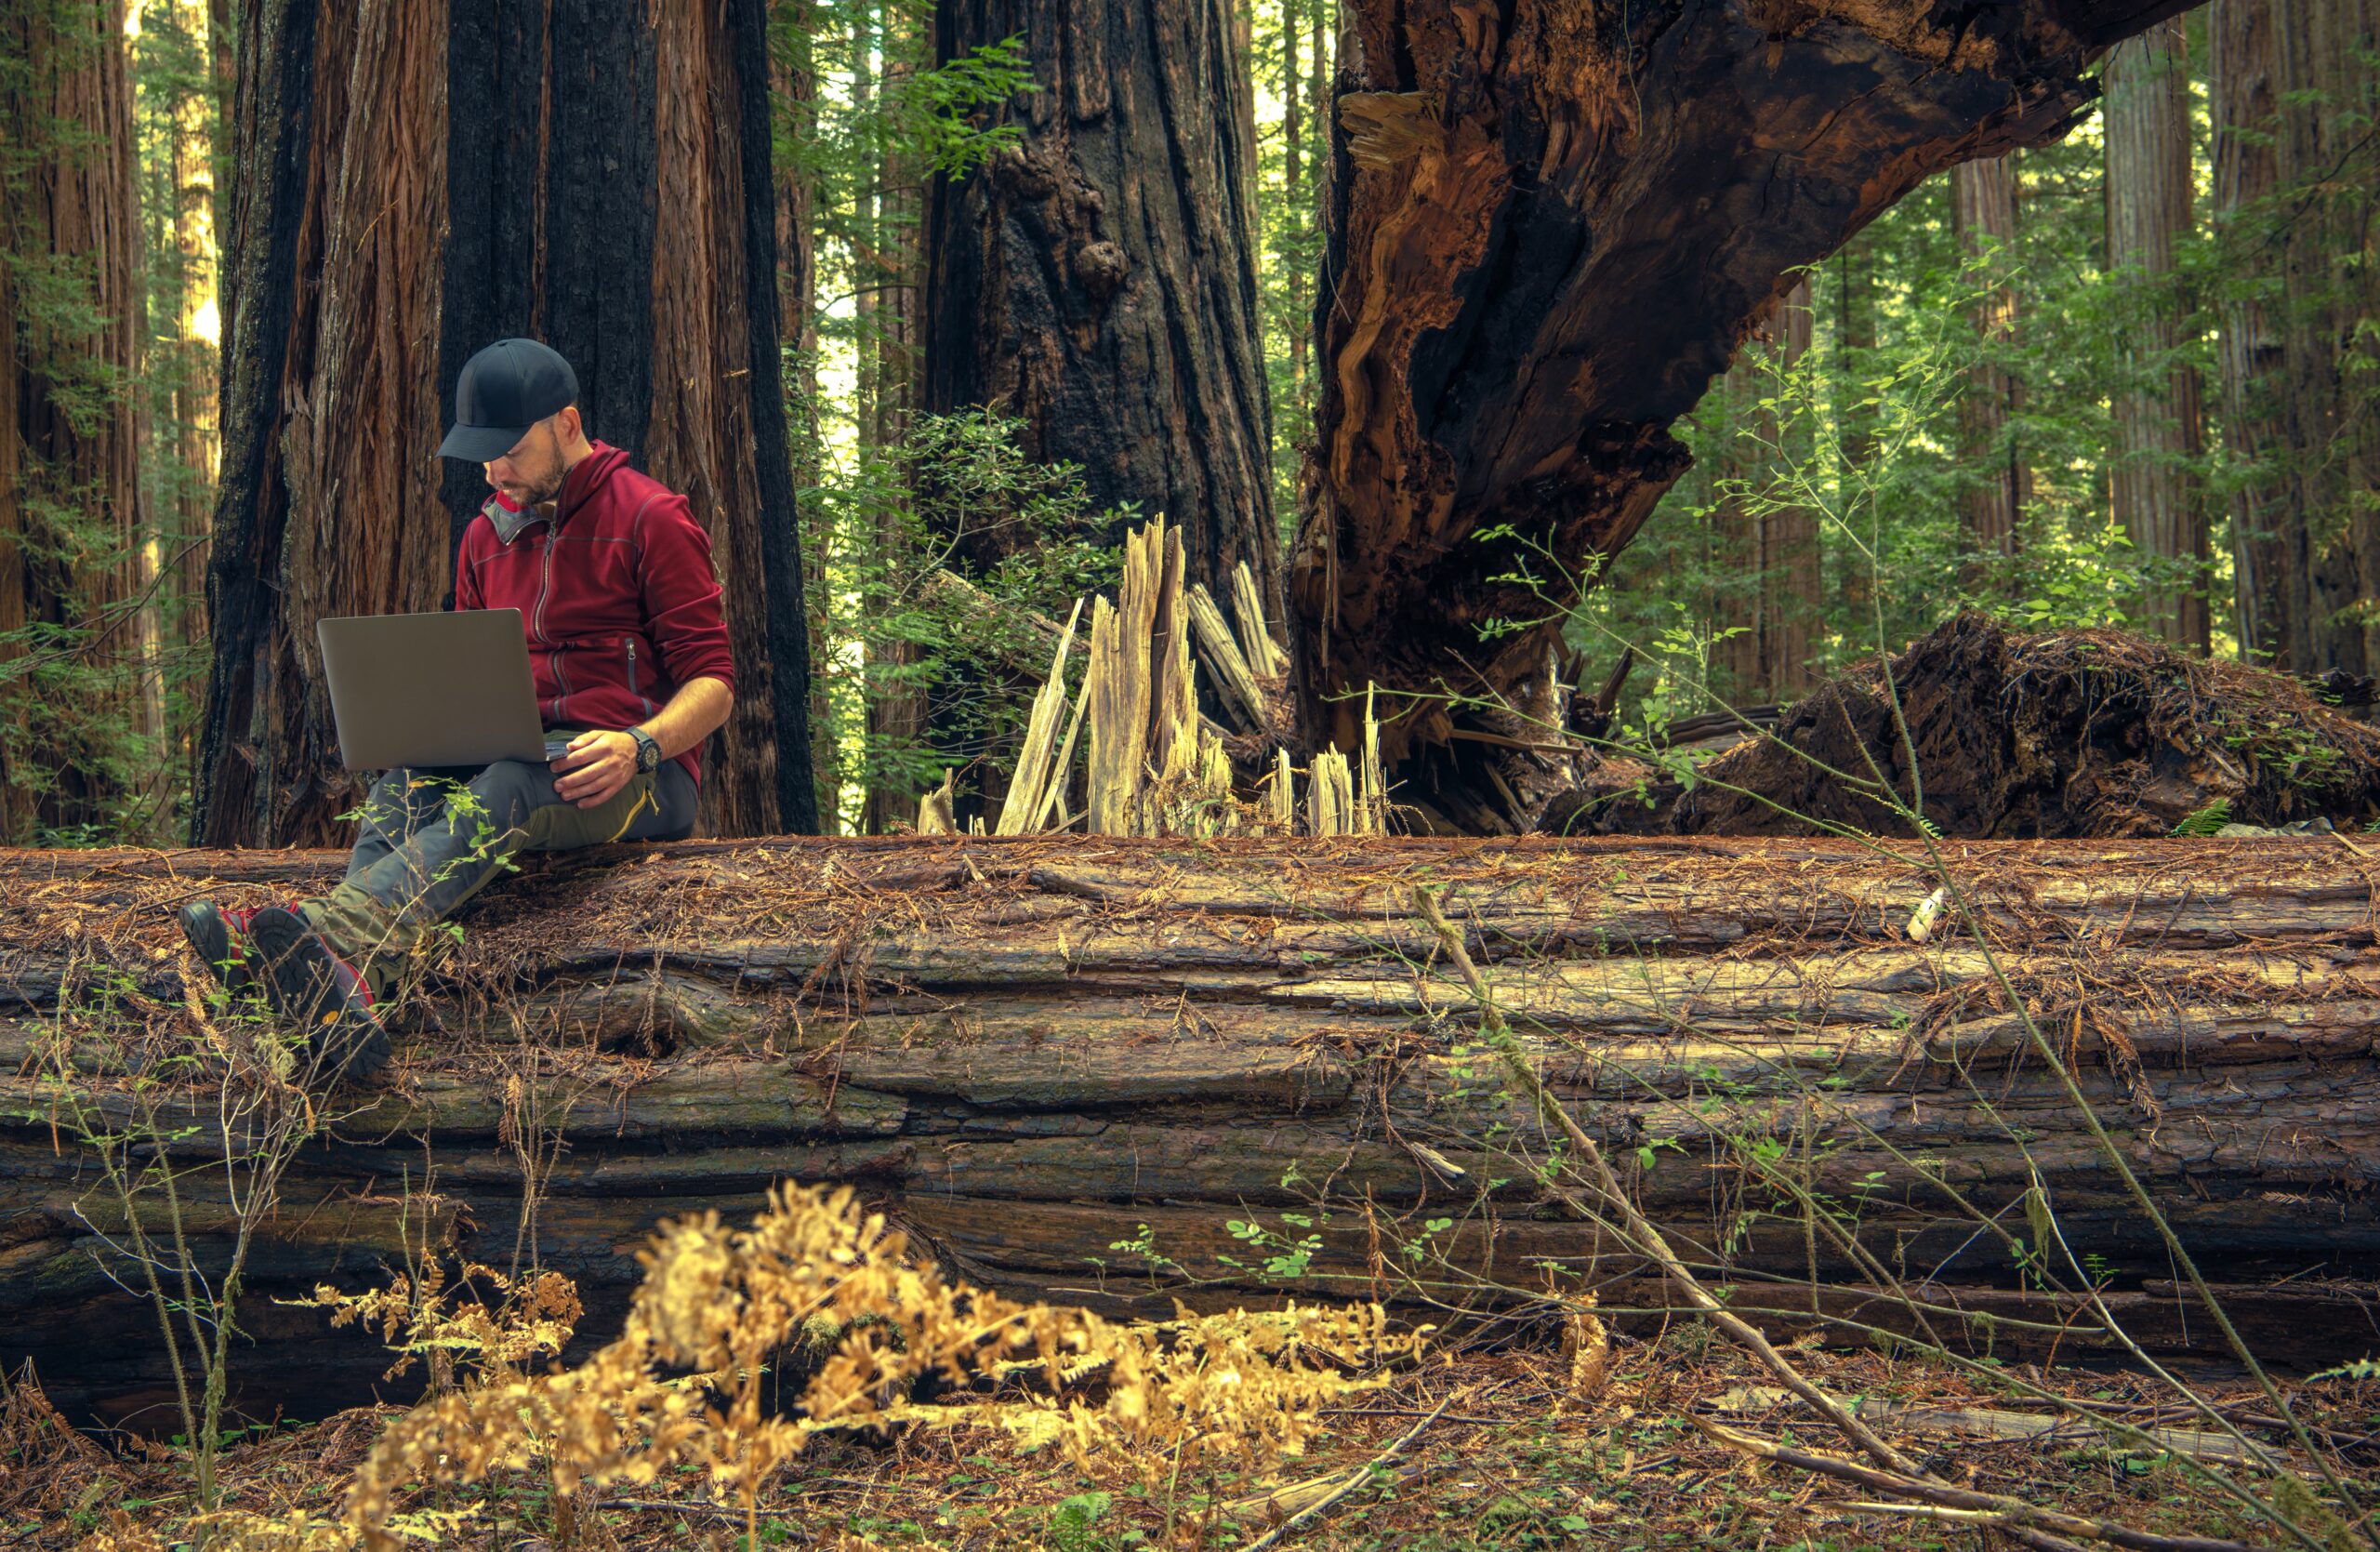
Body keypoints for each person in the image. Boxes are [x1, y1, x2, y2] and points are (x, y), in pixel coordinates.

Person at [179, 338, 735, 1084]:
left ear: (566, 423)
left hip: (639, 774)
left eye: (507, 451)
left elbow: (715, 682)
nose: (492, 470)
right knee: (401, 787)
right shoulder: (482, 537)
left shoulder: (652, 518)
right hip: (521, 752)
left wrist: (640, 744)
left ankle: (324, 939)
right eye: (481, 455)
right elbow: (474, 678)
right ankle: (351, 994)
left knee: (513, 779)